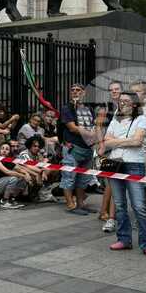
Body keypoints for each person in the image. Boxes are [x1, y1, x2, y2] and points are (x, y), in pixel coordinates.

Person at [101, 93, 146, 257]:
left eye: (126, 101)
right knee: (119, 205)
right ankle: (124, 239)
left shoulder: (141, 119)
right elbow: (106, 142)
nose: (122, 103)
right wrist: (126, 141)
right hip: (115, 164)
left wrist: (116, 141)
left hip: (134, 165)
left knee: (139, 206)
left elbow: (137, 141)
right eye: (120, 101)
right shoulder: (114, 120)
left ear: (134, 104)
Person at [59, 83, 99, 215]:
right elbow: (72, 128)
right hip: (72, 148)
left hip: (87, 149)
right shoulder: (67, 108)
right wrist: (92, 134)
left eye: (78, 90)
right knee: (69, 177)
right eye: (73, 90)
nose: (75, 92)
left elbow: (94, 125)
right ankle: (71, 205)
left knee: (84, 178)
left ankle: (81, 204)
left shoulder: (89, 109)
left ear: (84, 93)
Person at [97, 80, 124, 232]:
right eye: (111, 89)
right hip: (108, 148)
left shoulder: (125, 105)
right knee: (110, 181)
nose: (114, 91)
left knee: (115, 180)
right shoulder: (105, 107)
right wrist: (101, 145)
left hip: (121, 147)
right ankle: (104, 211)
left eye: (116, 89)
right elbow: (98, 127)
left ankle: (109, 211)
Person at [0, 142, 28, 209]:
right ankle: (4, 201)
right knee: (13, 178)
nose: (4, 151)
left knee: (22, 179)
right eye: (2, 148)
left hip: (2, 184)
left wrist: (26, 174)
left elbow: (19, 169)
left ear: (9, 152)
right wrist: (23, 175)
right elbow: (7, 172)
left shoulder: (8, 160)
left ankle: (12, 199)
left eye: (7, 149)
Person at [17, 136, 57, 203]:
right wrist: (42, 172)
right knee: (40, 173)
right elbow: (29, 167)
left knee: (53, 169)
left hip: (36, 172)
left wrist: (44, 167)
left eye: (38, 146)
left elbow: (43, 165)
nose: (37, 148)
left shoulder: (38, 154)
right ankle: (33, 195)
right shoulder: (24, 154)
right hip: (24, 174)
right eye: (34, 146)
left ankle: (44, 193)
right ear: (30, 146)